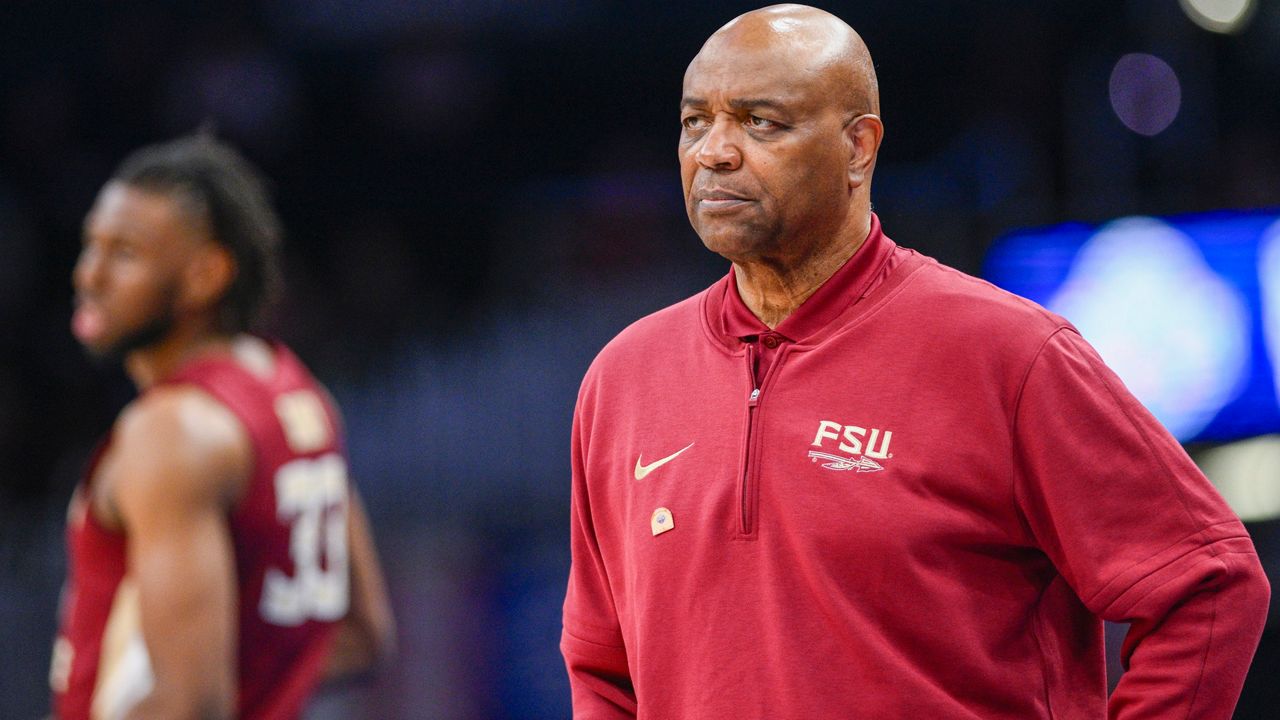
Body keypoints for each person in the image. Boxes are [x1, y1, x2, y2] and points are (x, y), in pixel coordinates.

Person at [561, 5, 1270, 718]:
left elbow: (1207, 581)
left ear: (858, 148)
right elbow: (601, 667)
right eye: (695, 122)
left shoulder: (1008, 354)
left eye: (759, 122)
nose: (714, 151)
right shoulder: (623, 381)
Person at [50, 135, 395, 720]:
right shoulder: (294, 392)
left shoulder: (173, 430)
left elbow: (191, 705)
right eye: (91, 246)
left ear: (206, 275)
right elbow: (362, 635)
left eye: (124, 253)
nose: (90, 275)